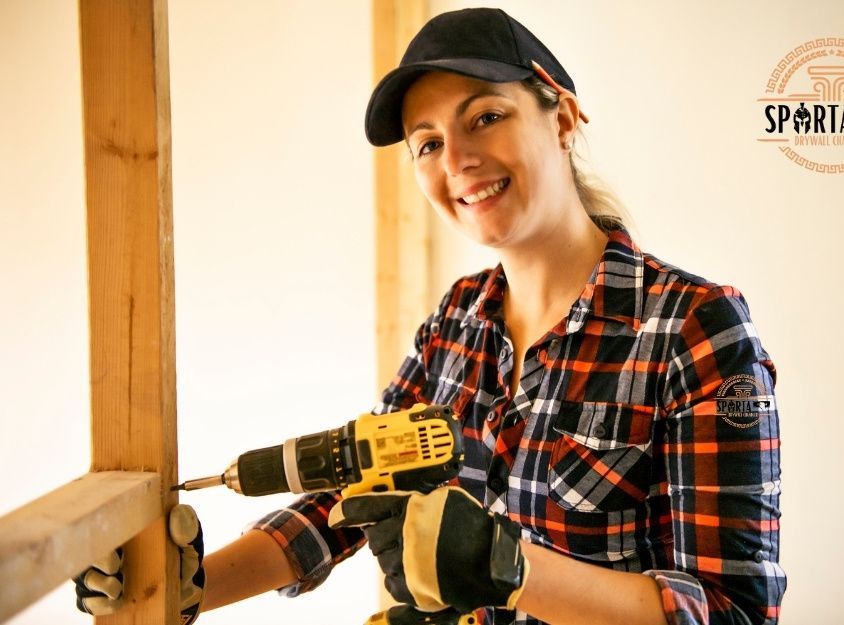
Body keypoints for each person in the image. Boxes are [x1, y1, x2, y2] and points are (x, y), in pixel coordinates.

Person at [74, 8, 785, 625]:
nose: (460, 160)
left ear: (562, 116)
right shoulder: (456, 321)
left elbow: (732, 610)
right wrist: (183, 589)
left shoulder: (693, 327)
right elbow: (349, 498)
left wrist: (511, 567)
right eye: (429, 143)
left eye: (486, 117)